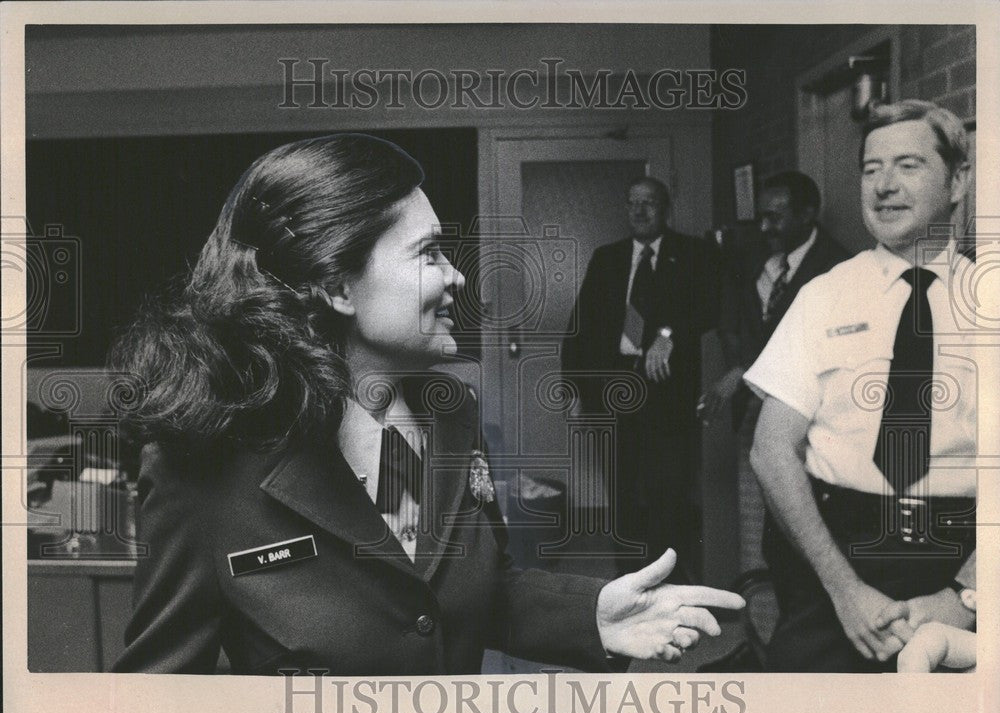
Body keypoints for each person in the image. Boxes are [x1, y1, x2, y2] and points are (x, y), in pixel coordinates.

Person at [110, 134, 743, 675]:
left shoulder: (449, 415)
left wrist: (591, 614)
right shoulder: (204, 466)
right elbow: (158, 706)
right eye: (428, 253)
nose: (455, 277)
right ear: (336, 287)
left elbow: (451, 597)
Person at [744, 100, 978, 671]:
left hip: (962, 556)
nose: (884, 186)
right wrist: (843, 590)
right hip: (835, 554)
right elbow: (771, 449)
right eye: (871, 169)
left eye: (908, 165)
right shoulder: (824, 295)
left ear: (957, 181)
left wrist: (966, 598)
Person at [561, 176, 717, 577]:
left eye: (649, 203)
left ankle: (669, 583)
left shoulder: (694, 254)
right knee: (623, 494)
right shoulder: (607, 258)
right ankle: (629, 584)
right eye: (633, 203)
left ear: (666, 208)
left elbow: (710, 309)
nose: (640, 211)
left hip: (667, 395)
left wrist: (669, 334)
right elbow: (580, 326)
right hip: (613, 390)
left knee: (669, 494)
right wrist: (575, 391)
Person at [701, 171, 850, 584]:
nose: (765, 227)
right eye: (762, 216)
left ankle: (785, 636)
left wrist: (746, 371)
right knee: (755, 534)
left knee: (797, 535)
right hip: (754, 412)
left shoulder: (838, 268)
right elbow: (734, 317)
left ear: (808, 215)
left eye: (777, 217)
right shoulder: (754, 257)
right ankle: (757, 637)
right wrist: (741, 364)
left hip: (809, 422)